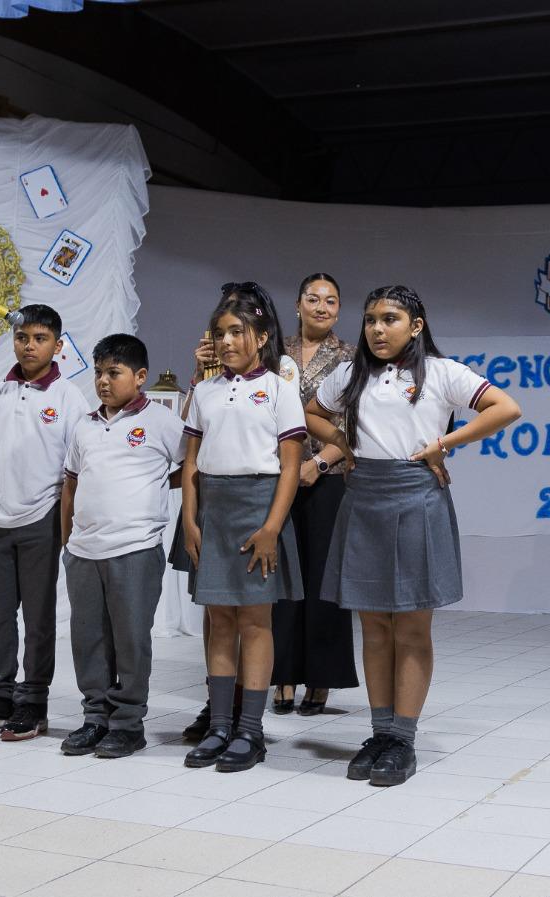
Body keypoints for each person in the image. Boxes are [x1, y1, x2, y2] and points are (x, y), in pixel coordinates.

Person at [307, 285, 521, 786]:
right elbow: (312, 413)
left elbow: (505, 408)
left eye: (390, 319)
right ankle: (379, 732)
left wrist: (442, 443)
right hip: (363, 497)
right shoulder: (352, 372)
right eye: (370, 320)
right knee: (375, 626)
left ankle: (402, 737)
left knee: (411, 627)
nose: (377, 330)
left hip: (415, 496)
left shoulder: (442, 373)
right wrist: (344, 442)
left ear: (416, 325)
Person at [181, 285, 307, 772]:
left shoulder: (278, 387)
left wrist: (272, 527)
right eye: (221, 333)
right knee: (219, 622)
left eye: (238, 332)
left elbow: (291, 466)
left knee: (255, 621)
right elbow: (191, 462)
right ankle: (217, 726)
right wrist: (191, 520)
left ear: (260, 337)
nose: (229, 341)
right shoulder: (205, 392)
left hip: (259, 507)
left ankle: (250, 730)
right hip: (213, 509)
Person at [0, 306, 89, 740]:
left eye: (40, 338)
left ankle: (32, 701)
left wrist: (65, 525)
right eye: (22, 337)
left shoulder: (69, 398)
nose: (29, 345)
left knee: (37, 617)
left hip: (40, 518)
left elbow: (76, 469)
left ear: (58, 345)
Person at [59, 334, 183, 759]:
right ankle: (95, 717)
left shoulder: (163, 422)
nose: (103, 381)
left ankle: (128, 723)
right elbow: (71, 485)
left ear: (140, 376)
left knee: (130, 638)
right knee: (88, 638)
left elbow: (191, 469)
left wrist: (151, 488)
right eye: (98, 373)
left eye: (114, 372)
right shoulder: (85, 426)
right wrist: (67, 543)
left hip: (135, 548)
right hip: (84, 551)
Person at [274, 273, 358, 716]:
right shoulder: (273, 352)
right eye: (313, 298)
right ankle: (282, 675)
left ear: (339, 310)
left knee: (324, 577)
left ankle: (321, 679)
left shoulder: (353, 356)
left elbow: (354, 424)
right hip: (276, 475)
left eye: (330, 300)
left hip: (328, 477)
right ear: (298, 303)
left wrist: (320, 461)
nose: (321, 307)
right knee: (282, 576)